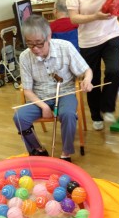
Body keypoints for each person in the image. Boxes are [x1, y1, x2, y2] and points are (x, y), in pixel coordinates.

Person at [13, 14, 93, 162]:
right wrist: (43, 106)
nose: (35, 49)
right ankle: (37, 149)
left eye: (39, 43)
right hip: (40, 96)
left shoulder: (65, 47)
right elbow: (28, 90)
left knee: (68, 115)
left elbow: (86, 70)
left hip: (65, 92)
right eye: (30, 44)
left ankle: (66, 153)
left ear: (48, 36)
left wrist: (87, 80)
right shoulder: (25, 57)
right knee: (19, 117)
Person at [66, 0, 119, 131]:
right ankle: (96, 116)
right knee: (92, 80)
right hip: (88, 41)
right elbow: (73, 19)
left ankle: (107, 108)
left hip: (111, 35)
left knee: (114, 71)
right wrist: (95, 16)